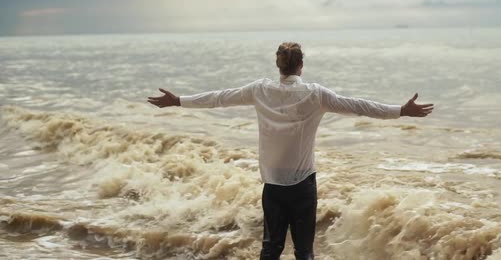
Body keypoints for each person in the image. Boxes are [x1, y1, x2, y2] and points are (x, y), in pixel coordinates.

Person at [147, 42, 434, 260]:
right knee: (304, 252)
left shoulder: (260, 90)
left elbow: (219, 98)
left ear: (279, 66)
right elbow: (359, 105)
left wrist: (179, 101)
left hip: (272, 184)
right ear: (300, 66)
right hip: (302, 185)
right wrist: (401, 111)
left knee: (270, 249)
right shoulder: (315, 94)